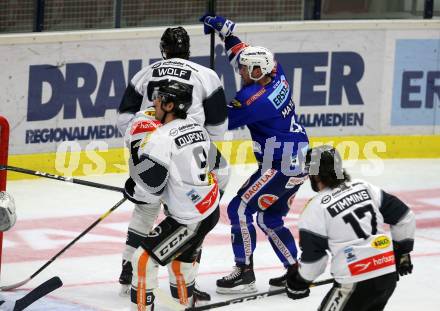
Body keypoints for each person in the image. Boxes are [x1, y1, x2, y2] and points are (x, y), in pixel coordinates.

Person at [116, 26, 229, 298]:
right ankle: (184, 288)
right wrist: (198, 145)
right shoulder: (206, 75)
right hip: (189, 150)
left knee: (146, 207)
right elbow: (218, 124)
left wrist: (140, 141)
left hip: (148, 146)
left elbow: (123, 116)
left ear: (163, 49)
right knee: (190, 216)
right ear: (188, 49)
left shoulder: (147, 72)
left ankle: (128, 270)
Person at [200, 15, 309, 293]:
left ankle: (245, 270)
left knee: (239, 209)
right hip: (297, 163)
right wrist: (226, 33)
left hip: (280, 165)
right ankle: (295, 271)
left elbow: (219, 122)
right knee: (269, 219)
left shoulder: (255, 101)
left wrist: (196, 104)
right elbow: (241, 53)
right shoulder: (277, 74)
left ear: (259, 71)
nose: (241, 72)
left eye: (247, 71)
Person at [124, 80, 220, 310]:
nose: (154, 102)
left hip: (189, 219)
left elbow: (152, 190)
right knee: (180, 264)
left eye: (159, 98)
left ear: (170, 105)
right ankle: (184, 305)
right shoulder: (197, 127)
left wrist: (132, 189)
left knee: (143, 260)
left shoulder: (160, 138)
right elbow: (219, 167)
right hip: (210, 209)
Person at [286, 145, 415, 310]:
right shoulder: (365, 187)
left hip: (355, 279)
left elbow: (315, 260)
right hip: (387, 275)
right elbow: (405, 217)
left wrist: (299, 281)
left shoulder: (315, 208)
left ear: (314, 174)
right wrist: (402, 252)